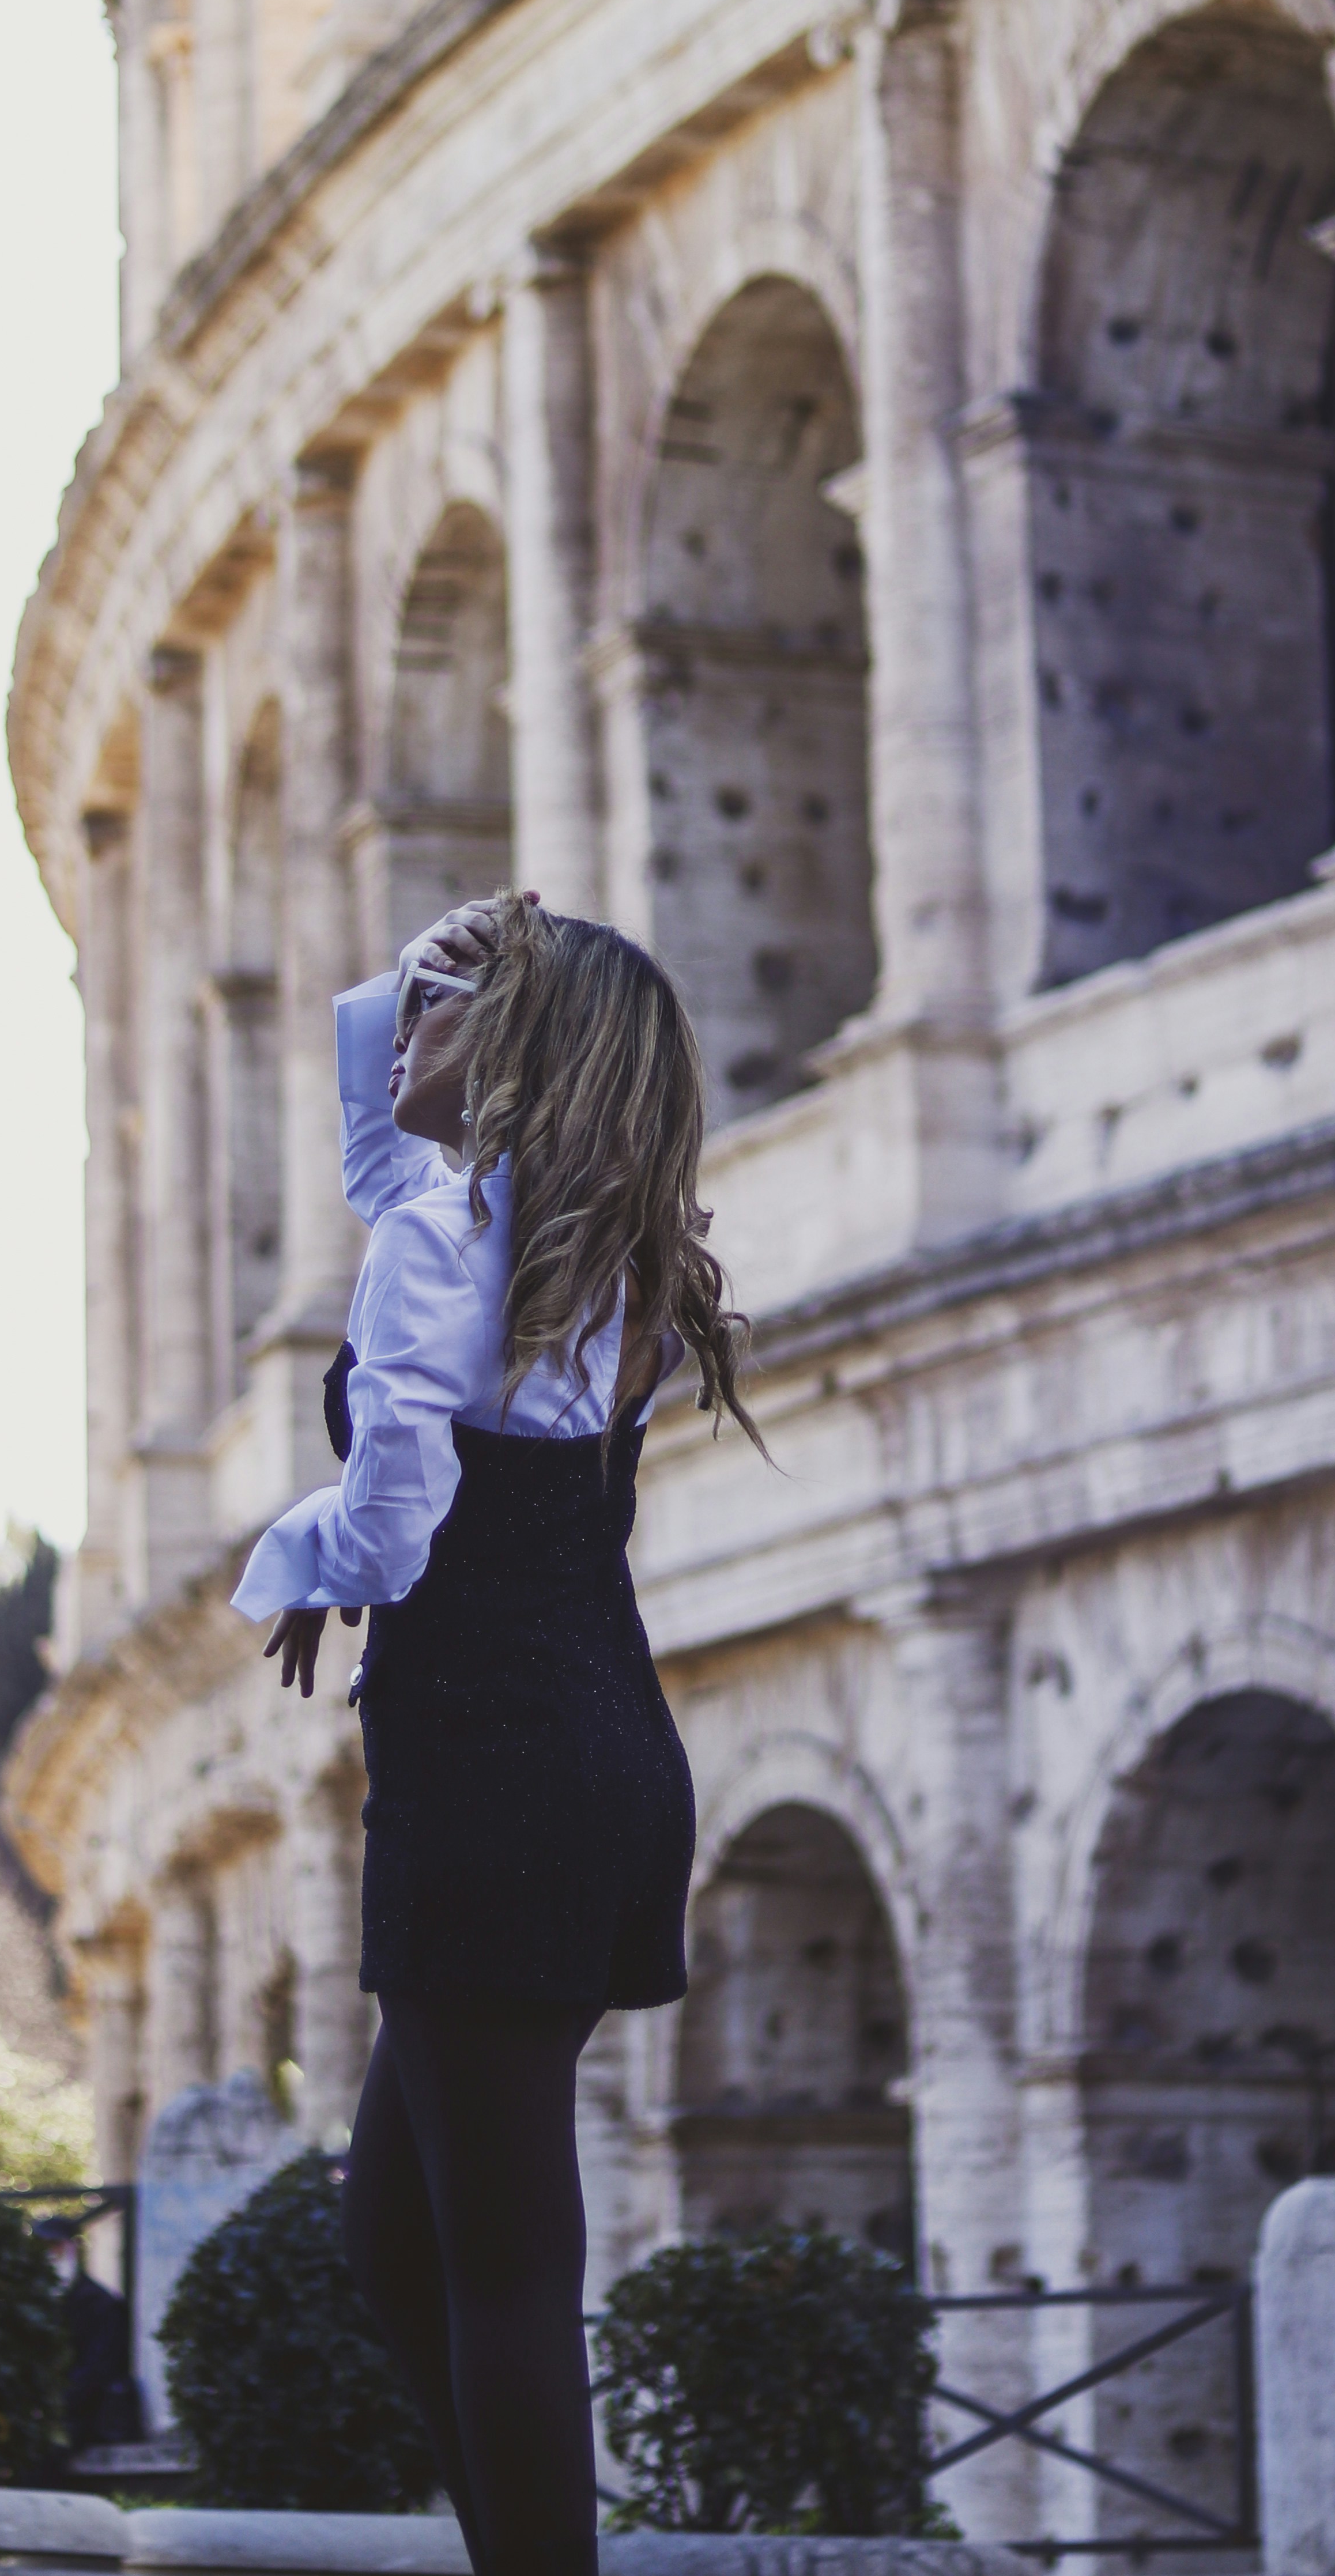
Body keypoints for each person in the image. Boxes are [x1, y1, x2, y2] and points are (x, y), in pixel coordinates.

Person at [232, 891, 758, 2576]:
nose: (409, 1033)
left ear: (516, 1058)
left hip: (488, 1781)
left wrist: (297, 1561)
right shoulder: (583, 1265)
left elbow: (395, 1536)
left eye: (448, 1010)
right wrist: (420, 971)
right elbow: (380, 1135)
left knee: (507, 2271)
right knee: (396, 2250)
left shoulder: (442, 1252)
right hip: (606, 1760)